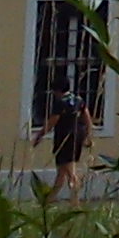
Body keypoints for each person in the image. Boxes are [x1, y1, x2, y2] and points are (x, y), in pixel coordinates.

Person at [32, 73, 93, 204]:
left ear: (58, 90)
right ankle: (50, 198)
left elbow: (52, 122)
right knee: (61, 170)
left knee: (69, 169)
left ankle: (75, 200)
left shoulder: (60, 103)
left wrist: (39, 135)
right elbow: (87, 117)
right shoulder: (78, 100)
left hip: (65, 138)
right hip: (78, 136)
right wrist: (88, 134)